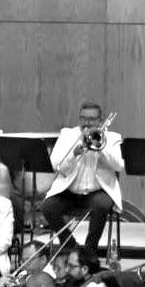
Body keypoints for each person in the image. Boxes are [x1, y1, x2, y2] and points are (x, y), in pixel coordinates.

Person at [42, 102, 124, 254]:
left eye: (92, 119)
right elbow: (55, 164)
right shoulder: (67, 135)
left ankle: (89, 251)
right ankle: (70, 246)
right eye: (83, 118)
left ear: (100, 120)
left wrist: (100, 148)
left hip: (97, 192)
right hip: (69, 192)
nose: (87, 123)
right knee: (48, 207)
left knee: (101, 205)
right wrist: (73, 154)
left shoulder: (112, 138)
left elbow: (119, 165)